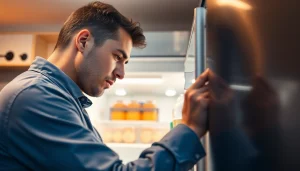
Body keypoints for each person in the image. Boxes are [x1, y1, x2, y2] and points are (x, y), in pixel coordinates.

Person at [0, 1, 210, 170]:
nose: (121, 73)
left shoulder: (63, 99)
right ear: (83, 42)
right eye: (117, 56)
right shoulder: (36, 96)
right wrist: (189, 128)